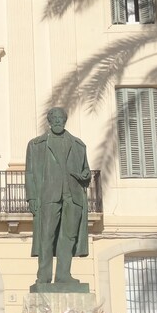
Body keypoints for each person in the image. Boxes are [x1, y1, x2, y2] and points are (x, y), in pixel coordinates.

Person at [25, 106, 91, 284]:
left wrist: (86, 175)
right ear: (49, 121)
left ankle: (63, 275)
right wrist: (31, 197)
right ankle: (44, 276)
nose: (57, 121)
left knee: (69, 236)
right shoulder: (36, 144)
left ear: (65, 121)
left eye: (60, 118)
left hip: (73, 195)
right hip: (48, 196)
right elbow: (30, 173)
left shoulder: (78, 145)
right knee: (46, 236)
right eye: (53, 118)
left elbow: (86, 169)